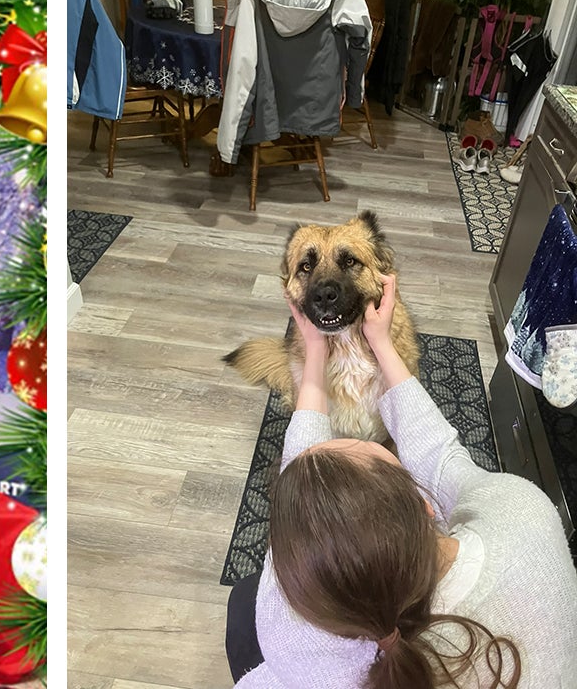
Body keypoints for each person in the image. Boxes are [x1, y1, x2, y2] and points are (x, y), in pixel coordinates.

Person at [225, 274, 577, 688]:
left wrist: (313, 359)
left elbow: (300, 515)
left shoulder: (287, 628)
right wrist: (378, 343)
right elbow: (440, 455)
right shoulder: (526, 517)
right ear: (429, 506)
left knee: (241, 604)